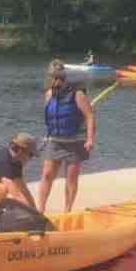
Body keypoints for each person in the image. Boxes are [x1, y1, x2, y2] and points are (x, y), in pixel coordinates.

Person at [36, 67, 95, 213]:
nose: (55, 82)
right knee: (47, 174)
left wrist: (89, 139)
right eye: (53, 78)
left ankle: (67, 210)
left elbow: (89, 116)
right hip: (54, 140)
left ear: (65, 81)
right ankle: (40, 210)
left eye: (58, 79)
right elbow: (50, 116)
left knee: (71, 178)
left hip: (75, 142)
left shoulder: (78, 95)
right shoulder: (49, 94)